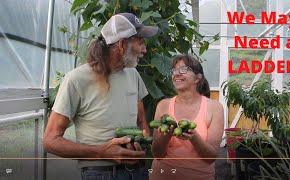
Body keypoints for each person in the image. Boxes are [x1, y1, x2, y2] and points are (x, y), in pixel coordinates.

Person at [43, 13, 158, 180]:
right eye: (140, 42)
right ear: (122, 44)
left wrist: (144, 140)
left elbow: (141, 121)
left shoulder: (133, 74)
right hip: (101, 174)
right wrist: (101, 152)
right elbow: (50, 141)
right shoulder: (76, 80)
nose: (144, 49)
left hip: (138, 171)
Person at [150, 54, 224, 180]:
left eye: (183, 70)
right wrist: (167, 135)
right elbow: (157, 153)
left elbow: (211, 157)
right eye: (174, 70)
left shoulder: (214, 108)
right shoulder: (163, 105)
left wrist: (193, 137)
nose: (176, 74)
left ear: (197, 78)